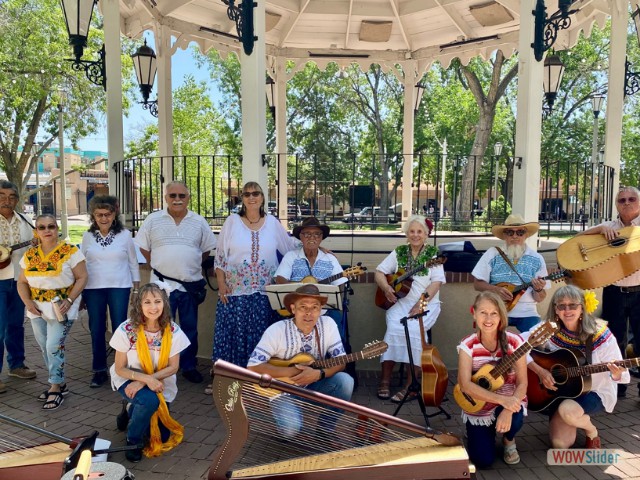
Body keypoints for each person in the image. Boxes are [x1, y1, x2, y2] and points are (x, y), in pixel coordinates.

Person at [211, 182, 298, 380]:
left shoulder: (272, 223)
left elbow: (290, 247)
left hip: (264, 293)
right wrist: (222, 284)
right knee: (233, 336)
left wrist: (315, 247)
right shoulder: (232, 221)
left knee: (261, 338)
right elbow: (221, 257)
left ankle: (256, 381)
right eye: (247, 194)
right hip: (235, 292)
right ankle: (225, 381)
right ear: (242, 198)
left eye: (256, 193)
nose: (252, 197)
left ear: (262, 197)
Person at [527, 285, 629, 449]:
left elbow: (621, 376)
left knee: (568, 411)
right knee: (559, 444)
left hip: (593, 391)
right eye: (562, 306)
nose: (567, 310)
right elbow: (519, 347)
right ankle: (568, 417)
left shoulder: (600, 334)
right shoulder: (549, 329)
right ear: (556, 309)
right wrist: (540, 371)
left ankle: (591, 430)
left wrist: (616, 374)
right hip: (559, 393)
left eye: (573, 305)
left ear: (582, 308)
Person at [247, 284, 354, 438]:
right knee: (290, 431)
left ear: (320, 310)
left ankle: (325, 429)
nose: (309, 313)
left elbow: (341, 361)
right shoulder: (277, 330)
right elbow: (253, 366)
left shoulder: (328, 324)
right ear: (293, 309)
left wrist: (319, 374)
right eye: (303, 307)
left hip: (313, 384)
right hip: (282, 391)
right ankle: (283, 422)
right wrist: (292, 372)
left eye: (314, 307)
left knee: (345, 382)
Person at [136, 181, 217, 384]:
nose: (177, 199)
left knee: (189, 329)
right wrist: (158, 263)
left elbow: (206, 249)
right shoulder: (153, 220)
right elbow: (143, 247)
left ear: (188, 198)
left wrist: (188, 264)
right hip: (161, 288)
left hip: (189, 286)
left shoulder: (198, 221)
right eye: (173, 196)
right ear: (166, 198)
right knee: (160, 329)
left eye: (182, 195)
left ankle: (189, 366)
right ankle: (161, 367)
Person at [110, 282, 190, 462]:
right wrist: (142, 379)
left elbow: (173, 367)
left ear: (165, 304)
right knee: (149, 401)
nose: (153, 307)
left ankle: (129, 409)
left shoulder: (172, 331)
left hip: (158, 381)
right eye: (147, 302)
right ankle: (133, 440)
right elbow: (119, 368)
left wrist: (145, 381)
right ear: (139, 305)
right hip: (128, 377)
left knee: (161, 437)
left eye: (157, 301)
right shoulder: (127, 330)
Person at [16, 214, 88, 410]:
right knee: (43, 346)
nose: (47, 230)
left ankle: (55, 387)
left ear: (57, 229)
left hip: (61, 307)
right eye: (42, 227)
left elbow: (82, 277)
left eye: (51, 226)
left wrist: (71, 299)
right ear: (36, 231)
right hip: (36, 308)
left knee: (54, 346)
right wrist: (27, 302)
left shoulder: (70, 251)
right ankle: (59, 382)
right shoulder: (30, 255)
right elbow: (22, 282)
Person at [374, 215, 445, 402]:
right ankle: (385, 380)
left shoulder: (433, 254)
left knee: (413, 330)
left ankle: (410, 385)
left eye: (419, 231)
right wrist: (386, 287)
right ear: (407, 233)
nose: (415, 235)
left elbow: (436, 283)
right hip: (401, 302)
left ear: (426, 234)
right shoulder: (399, 251)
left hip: (427, 303)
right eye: (412, 231)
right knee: (394, 329)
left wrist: (421, 303)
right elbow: (379, 272)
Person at [578, 186, 640, 398]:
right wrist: (599, 231)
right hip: (614, 291)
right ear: (616, 204)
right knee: (615, 341)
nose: (627, 203)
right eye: (622, 200)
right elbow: (579, 239)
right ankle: (619, 386)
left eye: (632, 199)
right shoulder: (609, 226)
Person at [457, 291, 527, 468]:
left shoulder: (514, 342)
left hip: (509, 401)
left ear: (501, 316)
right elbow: (464, 385)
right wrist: (501, 400)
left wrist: (508, 409)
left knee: (516, 415)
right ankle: (476, 431)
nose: (488, 319)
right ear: (474, 313)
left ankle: (508, 440)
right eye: (483, 312)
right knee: (483, 461)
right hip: (478, 405)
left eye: (494, 313)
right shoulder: (468, 345)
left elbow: (522, 383)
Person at [81, 195, 140, 388]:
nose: (104, 218)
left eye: (107, 214)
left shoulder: (124, 234)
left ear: (114, 214)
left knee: (119, 329)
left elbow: (133, 261)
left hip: (119, 287)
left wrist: (137, 289)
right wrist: (79, 291)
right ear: (93, 216)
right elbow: (81, 264)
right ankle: (99, 370)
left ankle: (120, 369)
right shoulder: (87, 236)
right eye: (99, 214)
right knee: (96, 329)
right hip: (93, 289)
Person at [472, 214, 549, 333]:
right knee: (491, 343)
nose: (515, 236)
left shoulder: (537, 259)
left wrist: (538, 289)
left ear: (526, 235)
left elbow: (539, 298)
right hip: (496, 309)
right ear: (504, 235)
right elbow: (477, 284)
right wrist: (495, 289)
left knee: (537, 339)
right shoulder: (492, 254)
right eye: (510, 232)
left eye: (520, 232)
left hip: (527, 312)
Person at [275, 216, 347, 341]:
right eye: (307, 234)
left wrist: (328, 295)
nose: (312, 237)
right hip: (296, 311)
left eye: (317, 234)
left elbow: (340, 285)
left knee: (336, 325)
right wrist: (300, 287)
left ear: (321, 238)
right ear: (301, 237)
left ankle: (334, 358)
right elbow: (280, 279)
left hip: (324, 311)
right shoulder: (291, 256)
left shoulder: (330, 259)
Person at [0, 180, 37, 393]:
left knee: (16, 325)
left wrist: (37, 244)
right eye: (2, 196)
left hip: (19, 280)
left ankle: (16, 365)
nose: (7, 200)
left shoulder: (25, 221)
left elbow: (32, 250)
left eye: (12, 197)